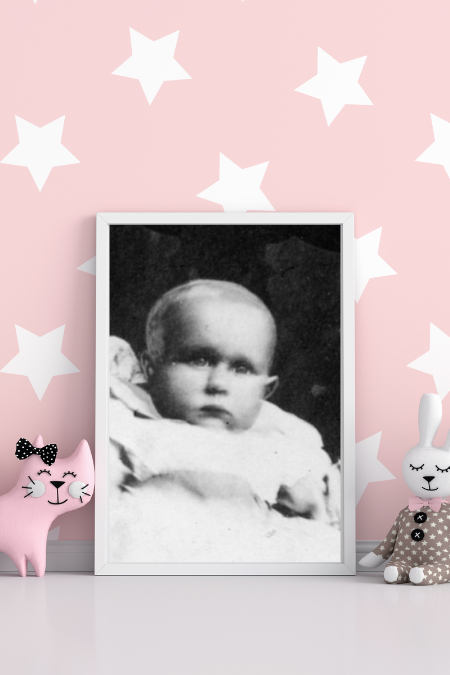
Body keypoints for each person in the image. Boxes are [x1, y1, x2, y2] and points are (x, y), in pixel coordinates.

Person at [109, 280, 340, 563]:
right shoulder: (129, 420)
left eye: (241, 369)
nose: (218, 383)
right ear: (150, 368)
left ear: (265, 390)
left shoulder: (277, 438)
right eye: (199, 360)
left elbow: (318, 508)